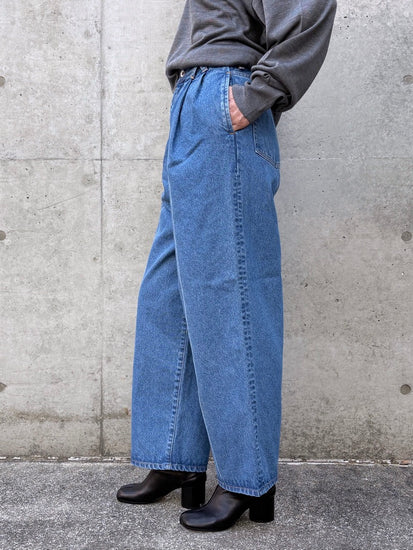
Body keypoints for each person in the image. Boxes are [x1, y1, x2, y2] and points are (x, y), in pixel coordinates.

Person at [117, 0, 337, 532]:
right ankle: (176, 457)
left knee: (229, 300)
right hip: (193, 107)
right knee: (169, 295)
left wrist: (258, 93)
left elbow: (310, 8)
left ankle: (247, 479)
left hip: (224, 103)